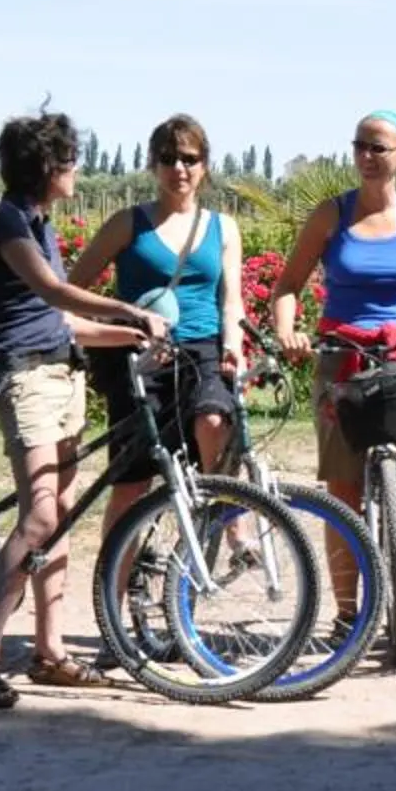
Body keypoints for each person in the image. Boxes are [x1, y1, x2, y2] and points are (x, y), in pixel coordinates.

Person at [0, 111, 173, 709]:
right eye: (70, 160)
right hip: (26, 378)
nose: (76, 169)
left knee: (60, 519)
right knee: (38, 517)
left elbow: (63, 322)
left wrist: (136, 336)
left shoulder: (40, 224)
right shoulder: (7, 224)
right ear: (45, 168)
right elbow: (54, 294)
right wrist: (131, 311)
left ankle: (49, 652)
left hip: (62, 374)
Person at [266, 109, 396, 626]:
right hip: (341, 358)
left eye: (378, 147)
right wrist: (287, 329)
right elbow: (288, 286)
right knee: (343, 489)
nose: (366, 156)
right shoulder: (330, 215)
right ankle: (346, 611)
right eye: (360, 145)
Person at [67, 113, 250, 539]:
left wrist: (234, 342)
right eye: (167, 158)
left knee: (214, 421)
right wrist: (121, 323)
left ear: (204, 165)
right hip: (140, 357)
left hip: (201, 347)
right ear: (153, 164)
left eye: (189, 158)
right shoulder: (128, 224)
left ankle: (229, 522)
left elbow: (231, 299)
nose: (178, 169)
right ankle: (109, 588)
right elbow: (71, 289)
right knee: (133, 484)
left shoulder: (222, 228)